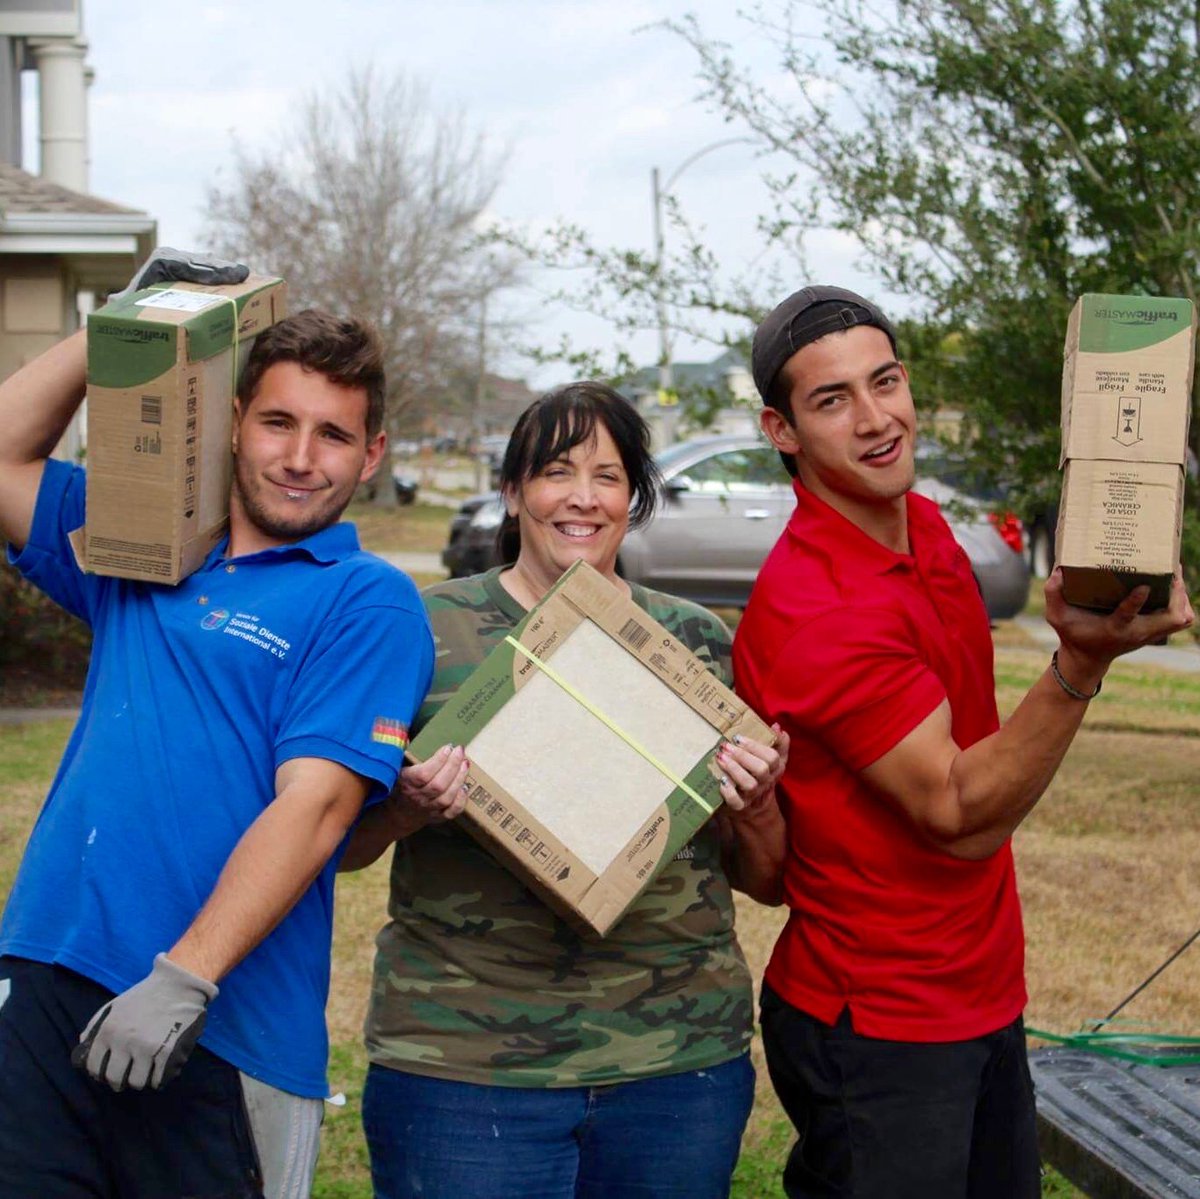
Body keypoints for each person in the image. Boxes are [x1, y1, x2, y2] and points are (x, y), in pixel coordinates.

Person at [732, 284, 1194, 1199]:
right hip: (879, 1019)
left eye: (886, 382)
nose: (875, 420)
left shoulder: (928, 529)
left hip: (980, 987)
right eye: (832, 401)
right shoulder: (815, 607)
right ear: (781, 430)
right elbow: (958, 811)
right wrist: (1080, 665)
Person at [0, 250, 434, 1199]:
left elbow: (317, 807)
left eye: (332, 434)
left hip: (216, 1023)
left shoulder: (367, 600)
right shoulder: (139, 546)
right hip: (47, 973)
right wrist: (121, 327)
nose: (298, 456)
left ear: (372, 455)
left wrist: (186, 977)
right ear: (234, 420)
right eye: (278, 420)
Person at [341, 381, 790, 1199]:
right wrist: (407, 806)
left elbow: (764, 879)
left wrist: (756, 805)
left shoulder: (695, 642)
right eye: (555, 471)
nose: (582, 497)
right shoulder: (422, 627)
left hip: (674, 1064)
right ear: (512, 492)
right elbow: (339, 844)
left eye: (609, 476)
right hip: (462, 1069)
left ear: (634, 499)